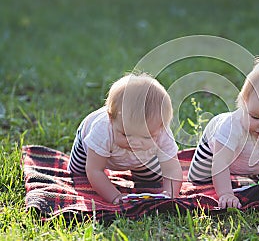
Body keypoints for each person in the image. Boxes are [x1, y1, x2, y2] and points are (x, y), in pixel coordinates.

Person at [188, 53, 259, 209]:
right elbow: (220, 163)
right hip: (217, 152)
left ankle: (254, 174)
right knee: (198, 180)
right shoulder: (231, 126)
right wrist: (226, 194)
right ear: (244, 104)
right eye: (256, 117)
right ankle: (233, 180)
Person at [68, 73, 183, 205]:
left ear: (161, 127)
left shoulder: (162, 132)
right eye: (125, 134)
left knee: (152, 180)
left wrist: (170, 195)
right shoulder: (101, 130)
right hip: (90, 150)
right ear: (111, 119)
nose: (134, 143)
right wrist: (115, 196)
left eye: (146, 137)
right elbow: (94, 170)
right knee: (78, 177)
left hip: (141, 159)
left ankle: (137, 169)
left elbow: (172, 170)